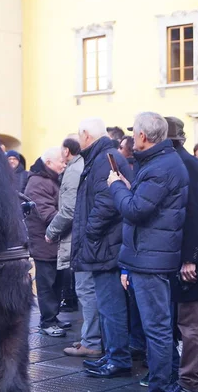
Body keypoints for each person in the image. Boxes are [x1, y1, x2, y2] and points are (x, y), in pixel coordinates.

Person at [108, 112, 189, 392]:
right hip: (151, 256)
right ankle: (165, 382)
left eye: (134, 133)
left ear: (142, 136)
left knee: (156, 328)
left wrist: (116, 186)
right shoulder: (161, 162)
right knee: (158, 327)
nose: (131, 138)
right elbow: (145, 204)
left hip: (150, 259)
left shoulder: (160, 166)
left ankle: (162, 385)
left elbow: (135, 210)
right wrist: (129, 189)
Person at [72, 118, 133, 379]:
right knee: (108, 306)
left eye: (79, 135)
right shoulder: (104, 156)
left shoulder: (103, 158)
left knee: (110, 306)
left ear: (86, 135)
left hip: (106, 245)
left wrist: (90, 232)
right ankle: (112, 355)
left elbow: (107, 202)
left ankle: (118, 359)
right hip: (106, 244)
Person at [162, 117, 198, 392]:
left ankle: (192, 384)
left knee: (193, 325)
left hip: (192, 264)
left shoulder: (185, 164)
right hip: (188, 260)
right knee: (188, 324)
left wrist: (190, 259)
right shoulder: (185, 163)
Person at [46, 137, 101, 357]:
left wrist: (51, 231)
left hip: (79, 239)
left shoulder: (73, 170)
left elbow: (68, 210)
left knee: (86, 291)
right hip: (91, 238)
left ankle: (91, 342)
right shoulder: (87, 165)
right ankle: (92, 338)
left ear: (67, 151)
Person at [25, 147, 68, 337]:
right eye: (61, 161)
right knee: (47, 284)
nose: (64, 164)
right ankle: (47, 321)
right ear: (49, 163)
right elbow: (48, 214)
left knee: (58, 282)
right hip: (44, 242)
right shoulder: (38, 183)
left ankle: (54, 317)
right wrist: (70, 219)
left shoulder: (50, 179)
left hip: (53, 241)